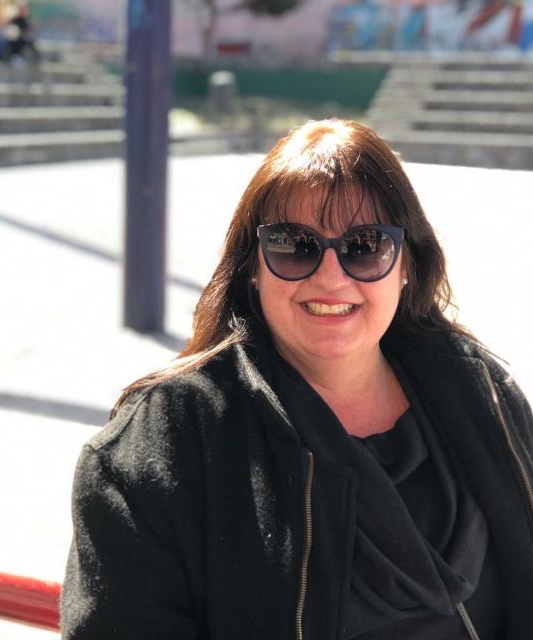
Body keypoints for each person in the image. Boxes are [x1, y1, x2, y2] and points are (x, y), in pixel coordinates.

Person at [61, 119, 533, 639]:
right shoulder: (160, 449)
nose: (331, 278)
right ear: (253, 267)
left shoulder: (483, 394)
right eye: (293, 245)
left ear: (407, 267)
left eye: (366, 245)